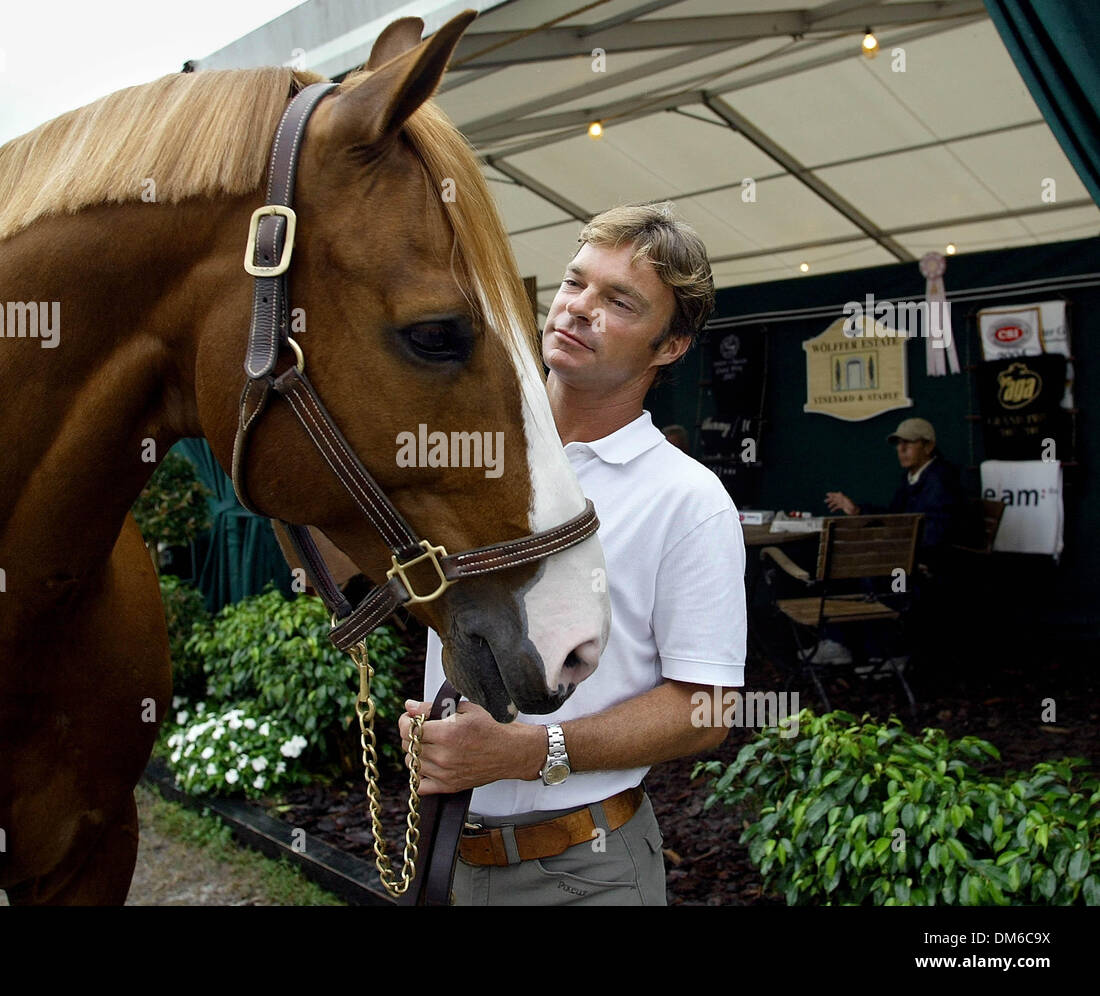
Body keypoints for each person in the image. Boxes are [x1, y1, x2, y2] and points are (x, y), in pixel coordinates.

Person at [399, 203, 748, 905]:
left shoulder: (688, 497)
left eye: (619, 301)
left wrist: (531, 752)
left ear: (670, 346)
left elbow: (707, 707)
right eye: (575, 282)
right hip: (442, 848)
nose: (580, 308)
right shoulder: (471, 452)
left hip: (583, 870)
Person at [824, 417, 966, 568]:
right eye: (898, 443)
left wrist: (889, 543)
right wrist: (857, 510)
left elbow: (936, 536)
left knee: (870, 566)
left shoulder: (941, 480)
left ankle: (897, 591)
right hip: (909, 558)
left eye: (908, 442)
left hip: (933, 568)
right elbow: (895, 516)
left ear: (928, 447)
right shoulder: (912, 477)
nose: (900, 448)